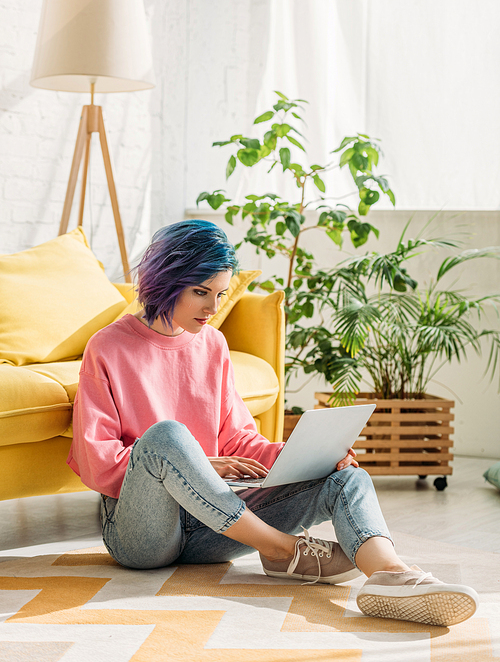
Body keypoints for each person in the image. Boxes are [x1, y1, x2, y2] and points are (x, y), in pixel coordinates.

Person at [68, 220, 478, 627]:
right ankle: (283, 550)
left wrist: (307, 457)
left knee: (347, 478)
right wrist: (200, 464)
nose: (212, 309)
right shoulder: (108, 347)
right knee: (169, 436)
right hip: (142, 536)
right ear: (165, 281)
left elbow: (238, 437)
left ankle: (393, 577)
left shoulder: (212, 344)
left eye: (220, 294)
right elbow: (99, 462)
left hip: (213, 529)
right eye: (200, 292)